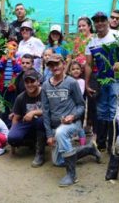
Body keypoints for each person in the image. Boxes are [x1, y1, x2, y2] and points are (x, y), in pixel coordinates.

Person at [42, 54, 101, 187]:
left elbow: (81, 105)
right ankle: (89, 149)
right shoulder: (45, 85)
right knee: (58, 162)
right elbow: (45, 112)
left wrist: (73, 116)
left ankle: (71, 175)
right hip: (55, 126)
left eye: (57, 64)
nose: (55, 67)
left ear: (63, 64)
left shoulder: (71, 82)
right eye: (51, 65)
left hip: (73, 124)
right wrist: (49, 135)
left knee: (61, 133)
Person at [85, 11, 119, 152]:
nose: (99, 23)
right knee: (102, 110)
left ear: (107, 21)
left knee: (114, 110)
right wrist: (86, 83)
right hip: (101, 80)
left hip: (116, 79)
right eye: (96, 21)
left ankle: (113, 143)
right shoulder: (92, 42)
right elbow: (88, 65)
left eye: (102, 20)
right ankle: (102, 143)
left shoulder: (117, 35)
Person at [7, 69, 46, 167]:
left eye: (32, 81)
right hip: (27, 124)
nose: (30, 85)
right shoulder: (21, 97)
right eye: (27, 82)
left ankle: (40, 153)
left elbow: (51, 111)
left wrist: (34, 112)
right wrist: (12, 142)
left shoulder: (45, 93)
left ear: (38, 81)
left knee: (40, 121)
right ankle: (31, 142)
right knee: (12, 138)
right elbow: (16, 118)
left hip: (44, 124)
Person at [0, 41, 22, 126]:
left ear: (16, 50)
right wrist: (4, 60)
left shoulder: (18, 59)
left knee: (13, 104)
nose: (11, 51)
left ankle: (12, 121)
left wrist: (13, 61)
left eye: (13, 48)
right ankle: (5, 121)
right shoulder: (3, 58)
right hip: (4, 86)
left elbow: (19, 70)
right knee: (5, 103)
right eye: (9, 48)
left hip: (13, 87)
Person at [68, 61, 86, 146]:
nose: (75, 71)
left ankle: (83, 145)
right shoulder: (68, 80)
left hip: (77, 108)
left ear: (81, 70)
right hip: (68, 107)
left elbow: (81, 93)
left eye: (77, 69)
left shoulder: (81, 81)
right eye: (73, 69)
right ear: (70, 71)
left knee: (79, 126)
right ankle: (69, 145)